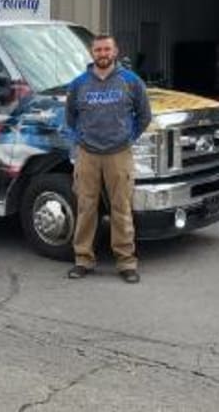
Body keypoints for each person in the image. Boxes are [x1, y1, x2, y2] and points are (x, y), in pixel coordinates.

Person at [65, 34, 152, 283]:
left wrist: (128, 137)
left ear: (115, 52)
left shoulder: (131, 81)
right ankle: (83, 259)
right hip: (87, 155)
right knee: (85, 208)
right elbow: (70, 118)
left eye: (107, 49)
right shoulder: (79, 84)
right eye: (98, 50)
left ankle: (126, 263)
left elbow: (144, 115)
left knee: (121, 209)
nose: (102, 54)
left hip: (119, 154)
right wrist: (80, 139)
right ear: (92, 53)